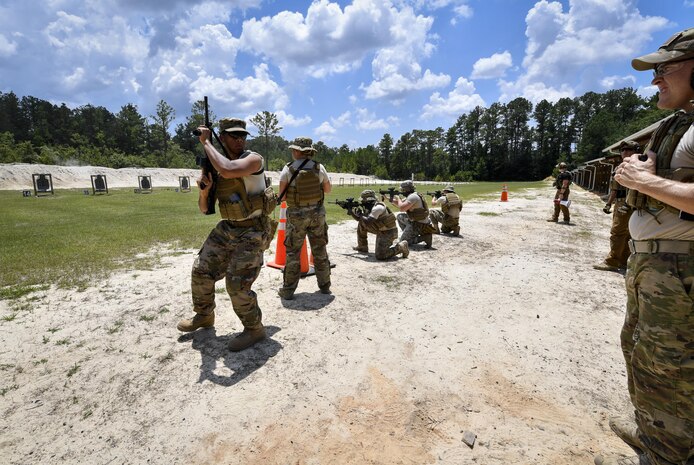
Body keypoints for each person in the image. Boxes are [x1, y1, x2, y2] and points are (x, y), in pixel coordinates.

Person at [594, 27, 694, 465]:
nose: (656, 80)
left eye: (666, 69)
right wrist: (642, 174)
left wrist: (646, 181)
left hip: (679, 270)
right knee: (643, 354)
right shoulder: (683, 123)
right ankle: (654, 435)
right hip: (658, 266)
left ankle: (665, 455)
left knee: (667, 370)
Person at [177, 118, 276, 352]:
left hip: (253, 229)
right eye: (234, 136)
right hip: (228, 227)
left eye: (243, 135)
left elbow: (228, 169)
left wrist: (206, 142)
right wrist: (205, 191)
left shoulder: (253, 159)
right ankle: (204, 315)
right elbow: (204, 209)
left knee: (236, 284)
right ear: (223, 138)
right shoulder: (215, 165)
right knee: (201, 269)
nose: (240, 140)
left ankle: (254, 329)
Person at [277, 137, 332, 300]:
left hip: (296, 216)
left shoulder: (288, 169)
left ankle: (288, 290)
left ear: (296, 151)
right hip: (317, 214)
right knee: (320, 249)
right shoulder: (319, 167)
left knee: (293, 252)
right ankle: (325, 286)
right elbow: (328, 189)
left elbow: (283, 196)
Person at [594, 141, 639, 272]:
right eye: (622, 150)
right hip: (620, 201)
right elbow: (614, 189)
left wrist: (626, 203)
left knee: (618, 232)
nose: (625, 152)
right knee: (624, 232)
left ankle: (612, 261)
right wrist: (608, 203)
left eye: (629, 149)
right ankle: (623, 261)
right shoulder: (619, 167)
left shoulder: (640, 167)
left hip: (631, 203)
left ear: (636, 151)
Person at [350, 189, 409, 260]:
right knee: (361, 223)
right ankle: (362, 246)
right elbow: (359, 219)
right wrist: (350, 211)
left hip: (388, 232)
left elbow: (368, 221)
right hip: (380, 229)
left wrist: (361, 215)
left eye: (363, 200)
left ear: (368, 200)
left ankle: (401, 247)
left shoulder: (378, 208)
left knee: (381, 255)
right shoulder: (369, 207)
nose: (362, 202)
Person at [390, 180, 436, 248]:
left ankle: (424, 238)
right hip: (419, 221)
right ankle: (410, 234)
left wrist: (398, 198)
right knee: (400, 216)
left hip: (419, 224)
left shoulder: (413, 197)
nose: (402, 191)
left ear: (406, 189)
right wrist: (389, 199)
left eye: (403, 189)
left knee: (403, 242)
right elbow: (400, 204)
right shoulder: (413, 195)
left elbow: (402, 208)